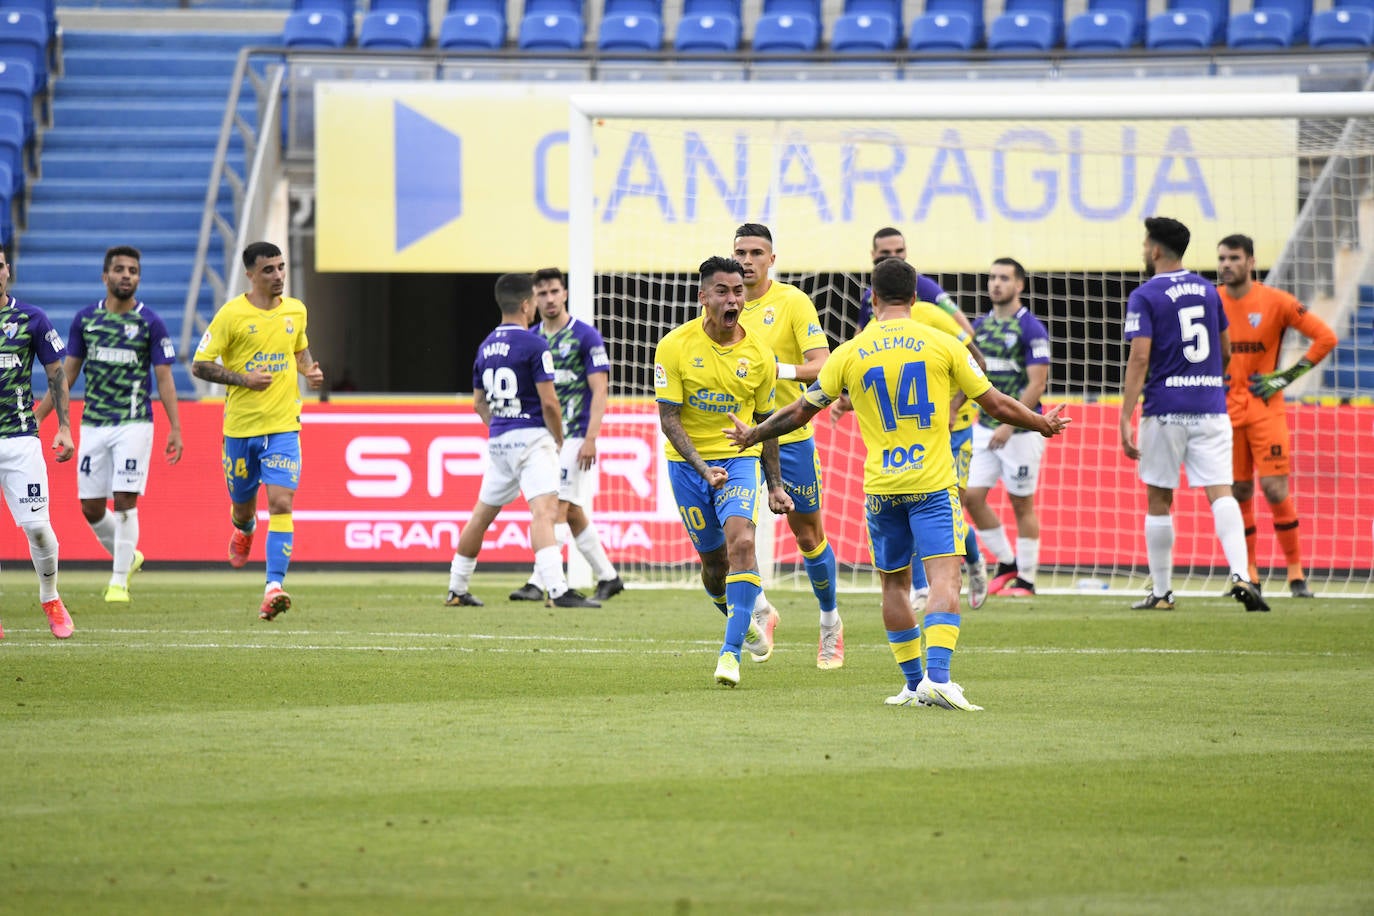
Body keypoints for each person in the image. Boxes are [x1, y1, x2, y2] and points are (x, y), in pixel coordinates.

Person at [726, 258, 1070, 710]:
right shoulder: (942, 342)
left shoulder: (850, 350)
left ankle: (912, 684)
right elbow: (997, 404)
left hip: (881, 488)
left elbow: (799, 412)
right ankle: (940, 679)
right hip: (931, 483)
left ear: (872, 299)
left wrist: (754, 433)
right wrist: (1040, 422)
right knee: (946, 575)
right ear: (914, 299)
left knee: (893, 586)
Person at [1120, 217, 1268, 612]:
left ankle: (1164, 592)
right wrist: (1208, 383)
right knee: (1220, 490)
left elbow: (1139, 357)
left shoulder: (1146, 295)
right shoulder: (1208, 290)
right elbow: (1225, 348)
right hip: (1210, 407)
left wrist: (1125, 416)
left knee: (1158, 497)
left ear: (1154, 249)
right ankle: (1242, 572)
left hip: (1165, 409)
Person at [656, 256, 789, 687]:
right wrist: (702, 467)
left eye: (739, 291)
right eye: (723, 292)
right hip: (688, 465)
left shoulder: (760, 356)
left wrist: (775, 485)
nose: (733, 299)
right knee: (713, 565)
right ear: (703, 298)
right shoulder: (674, 346)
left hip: (739, 459)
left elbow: (768, 424)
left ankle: (729, 655)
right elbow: (669, 419)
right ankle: (747, 619)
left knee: (743, 543)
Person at [835, 264, 991, 610]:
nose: (891, 256)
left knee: (948, 506)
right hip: (905, 431)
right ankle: (922, 588)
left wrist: (953, 406)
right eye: (884, 254)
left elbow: (978, 359)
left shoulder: (935, 316)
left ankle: (974, 562)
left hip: (954, 426)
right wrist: (848, 402)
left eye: (896, 252)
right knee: (915, 502)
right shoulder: (871, 325)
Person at [35, 246, 183, 603]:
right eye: (119, 269)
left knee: (124, 499)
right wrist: (40, 415)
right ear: (106, 277)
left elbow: (164, 379)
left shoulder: (150, 322)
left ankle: (119, 581)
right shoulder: (86, 319)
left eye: (133, 270)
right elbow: (67, 372)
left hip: (134, 422)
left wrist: (175, 427)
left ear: (138, 278)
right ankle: (128, 557)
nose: (127, 275)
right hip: (95, 423)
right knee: (91, 507)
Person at [444, 273, 600, 609]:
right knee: (544, 512)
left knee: (481, 517)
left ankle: (456, 588)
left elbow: (477, 403)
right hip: (532, 439)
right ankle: (557, 591)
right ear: (527, 304)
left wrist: (498, 426)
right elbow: (549, 403)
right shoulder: (534, 344)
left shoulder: (486, 345)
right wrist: (557, 438)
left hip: (500, 440)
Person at [192, 241, 323, 621]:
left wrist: (308, 371)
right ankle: (243, 528)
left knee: (281, 503)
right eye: (269, 270)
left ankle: (273, 587)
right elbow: (201, 366)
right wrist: (243, 379)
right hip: (240, 429)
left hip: (283, 426)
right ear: (250, 274)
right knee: (243, 506)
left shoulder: (296, 310)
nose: (278, 275)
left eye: (281, 267)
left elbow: (299, 350)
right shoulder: (231, 315)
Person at [732, 223, 843, 670]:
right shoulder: (724, 303)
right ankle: (761, 610)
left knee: (807, 534)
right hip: (736, 439)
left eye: (757, 252)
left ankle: (830, 623)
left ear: (771, 260)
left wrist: (772, 369)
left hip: (789, 435)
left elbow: (824, 365)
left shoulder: (793, 302)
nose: (747, 259)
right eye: (740, 251)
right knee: (732, 536)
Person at [1217, 234, 1337, 598]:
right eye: (1221, 259)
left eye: (1234, 258)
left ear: (1251, 262)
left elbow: (1325, 337)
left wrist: (1285, 377)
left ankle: (1296, 574)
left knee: (1274, 489)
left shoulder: (1276, 302)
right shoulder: (1212, 301)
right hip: (1224, 409)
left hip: (1265, 408)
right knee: (1238, 491)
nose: (1226, 265)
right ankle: (1248, 575)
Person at [508, 268, 624, 604]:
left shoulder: (585, 336)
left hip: (575, 435)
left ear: (565, 293)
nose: (549, 299)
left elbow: (599, 389)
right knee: (570, 510)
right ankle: (609, 576)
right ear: (533, 299)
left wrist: (591, 437)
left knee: (557, 507)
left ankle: (538, 581)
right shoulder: (532, 338)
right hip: (544, 438)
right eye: (541, 294)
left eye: (554, 291)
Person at [963, 258, 1052, 598]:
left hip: (1022, 431)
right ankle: (1006, 561)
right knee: (971, 496)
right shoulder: (979, 327)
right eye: (992, 278)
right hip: (984, 427)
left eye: (1004, 278)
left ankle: (1027, 580)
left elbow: (1037, 384)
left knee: (1021, 504)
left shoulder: (1031, 328)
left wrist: (1009, 425)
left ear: (1020, 286)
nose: (996, 284)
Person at [0, 249, 76, 639]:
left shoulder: (31, 319)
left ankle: (50, 597)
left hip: (18, 440)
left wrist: (63, 426)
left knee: (39, 529)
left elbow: (56, 373)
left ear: (7, 269)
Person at [857, 227, 977, 339]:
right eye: (886, 252)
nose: (893, 257)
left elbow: (967, 331)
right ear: (873, 254)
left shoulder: (925, 287)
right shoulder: (869, 295)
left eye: (899, 251)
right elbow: (857, 340)